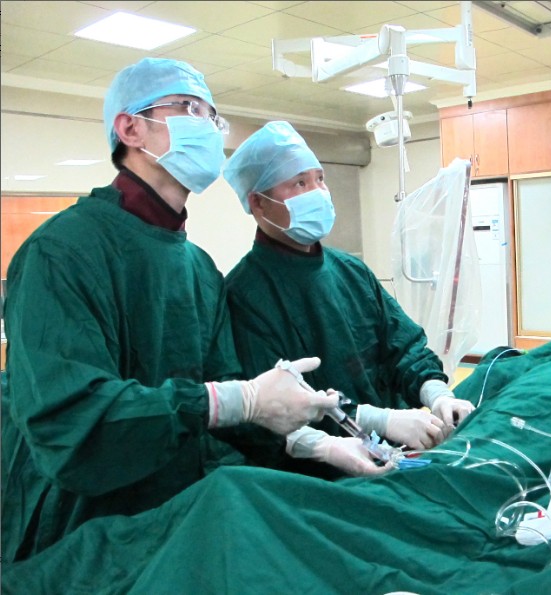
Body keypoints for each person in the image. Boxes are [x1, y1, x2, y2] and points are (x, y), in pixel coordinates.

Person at [0, 59, 338, 563]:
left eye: (213, 116)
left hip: (178, 510)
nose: (210, 127)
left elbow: (227, 399)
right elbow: (73, 423)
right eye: (189, 108)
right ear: (130, 128)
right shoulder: (61, 251)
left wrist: (313, 442)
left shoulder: (198, 268)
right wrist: (230, 401)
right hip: (82, 529)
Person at [222, 121, 475, 478]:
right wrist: (379, 420)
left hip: (392, 457)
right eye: (299, 183)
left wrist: (437, 394)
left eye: (319, 179)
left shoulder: (351, 271)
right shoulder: (244, 295)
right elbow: (270, 413)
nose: (318, 192)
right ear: (258, 203)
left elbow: (403, 347)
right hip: (316, 476)